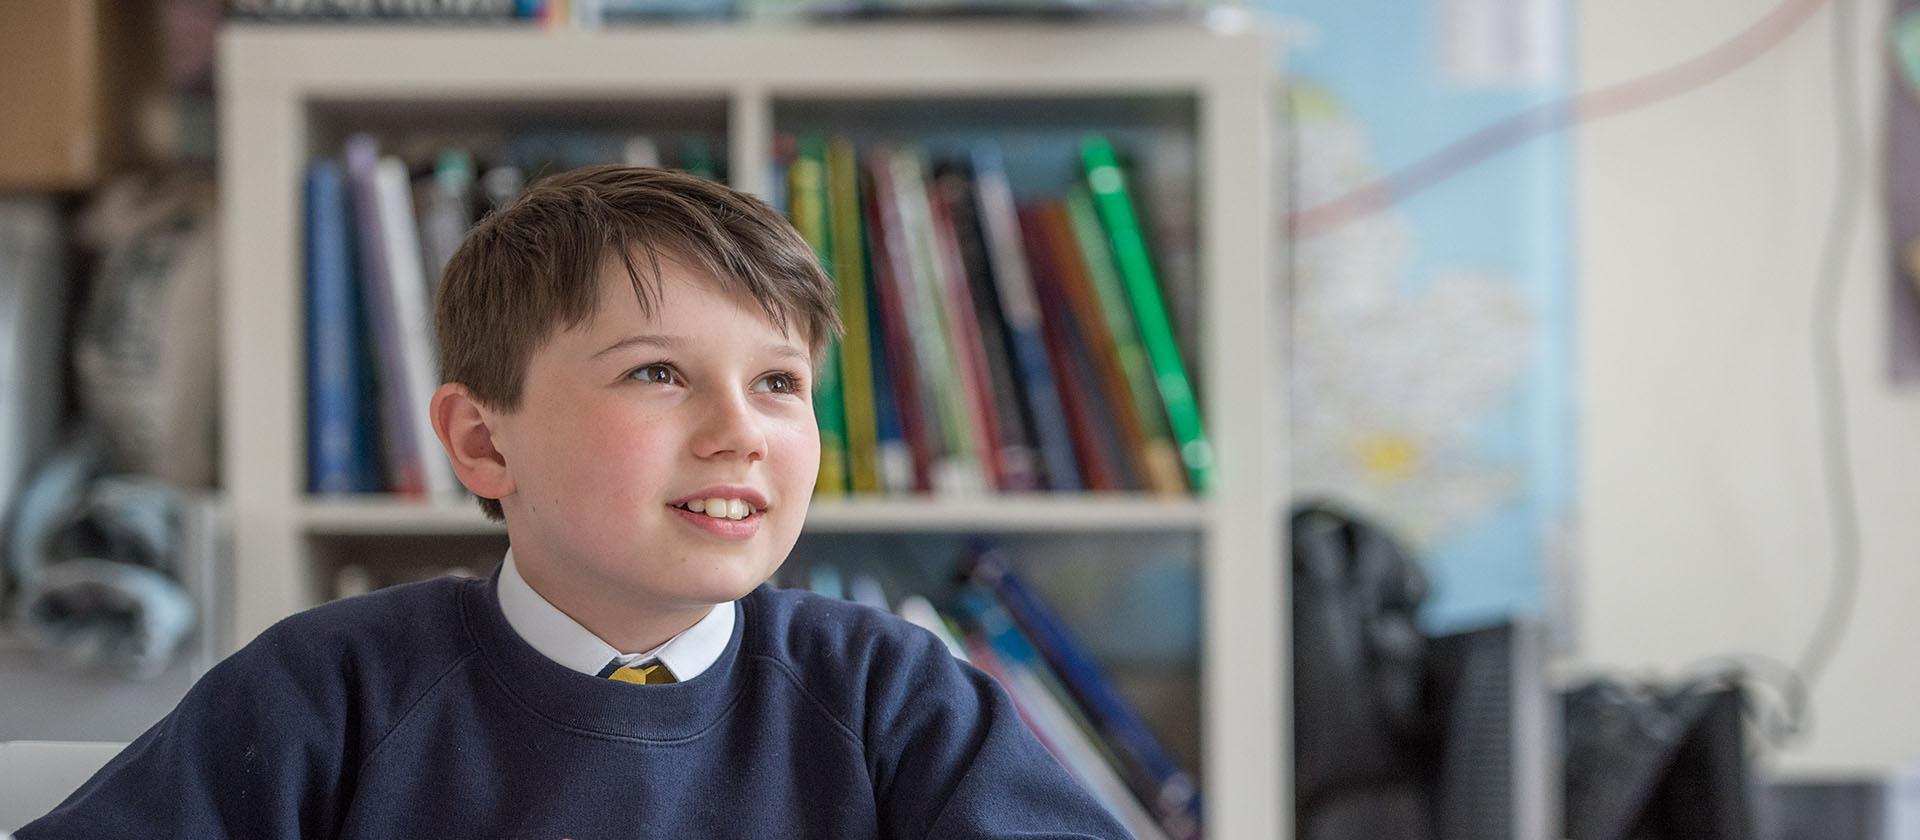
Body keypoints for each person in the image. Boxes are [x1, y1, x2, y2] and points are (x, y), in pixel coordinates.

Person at [20, 165, 1131, 839]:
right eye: (657, 372)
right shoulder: (325, 692)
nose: (740, 428)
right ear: (480, 441)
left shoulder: (895, 695)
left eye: (779, 383)